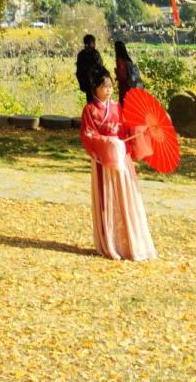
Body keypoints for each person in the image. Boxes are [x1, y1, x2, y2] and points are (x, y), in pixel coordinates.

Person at [80, 71, 156, 261]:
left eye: (110, 87)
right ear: (95, 88)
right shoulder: (90, 110)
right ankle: (110, 244)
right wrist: (108, 142)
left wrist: (141, 129)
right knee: (107, 200)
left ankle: (130, 243)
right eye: (104, 87)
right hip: (103, 162)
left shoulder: (117, 107)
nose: (108, 91)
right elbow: (88, 135)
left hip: (122, 159)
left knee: (126, 199)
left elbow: (126, 129)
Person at [75, 33, 107, 99]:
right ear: (91, 43)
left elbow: (78, 72)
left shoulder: (81, 54)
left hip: (86, 85)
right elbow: (100, 68)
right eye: (93, 42)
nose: (95, 44)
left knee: (90, 104)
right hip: (96, 85)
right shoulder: (95, 54)